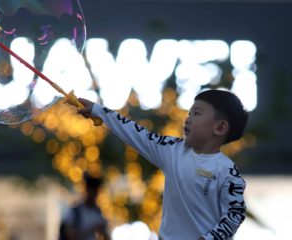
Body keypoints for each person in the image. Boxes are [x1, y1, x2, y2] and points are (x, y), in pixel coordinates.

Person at [68, 89, 248, 240]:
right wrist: (98, 111)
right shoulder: (172, 150)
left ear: (220, 128)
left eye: (197, 113)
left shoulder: (227, 172)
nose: (188, 118)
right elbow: (136, 133)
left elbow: (235, 214)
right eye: (190, 113)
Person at [60, 173, 110, 240]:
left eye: (95, 192)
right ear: (87, 191)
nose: (93, 195)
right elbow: (70, 236)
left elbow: (105, 235)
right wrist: (92, 229)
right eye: (91, 191)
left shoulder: (98, 212)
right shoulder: (75, 212)